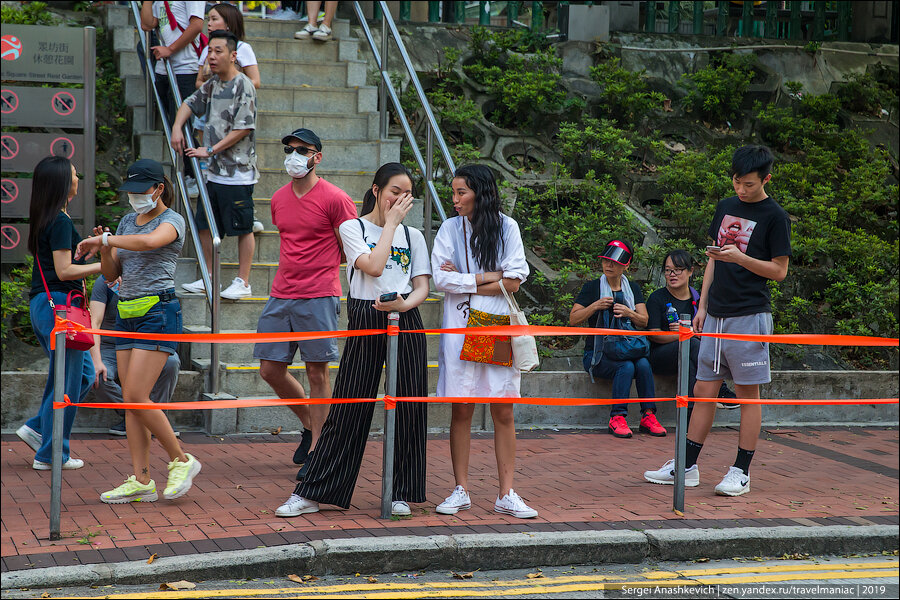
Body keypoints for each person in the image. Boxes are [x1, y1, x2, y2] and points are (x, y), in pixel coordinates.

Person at [274, 162, 431, 517]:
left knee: (409, 402)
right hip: (365, 311)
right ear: (376, 190)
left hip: (405, 313)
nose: (400, 199)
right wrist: (389, 224)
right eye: (394, 191)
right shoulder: (352, 227)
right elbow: (373, 267)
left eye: (407, 194)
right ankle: (315, 490)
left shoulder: (415, 236)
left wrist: (406, 303)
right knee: (351, 401)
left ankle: (400, 490)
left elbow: (422, 285)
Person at [644, 145, 791, 497]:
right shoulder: (725, 206)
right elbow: (713, 257)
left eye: (750, 185)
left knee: (747, 395)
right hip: (716, 316)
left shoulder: (775, 216)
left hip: (750, 314)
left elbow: (780, 271)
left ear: (766, 179)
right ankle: (686, 465)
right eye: (738, 182)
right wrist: (703, 304)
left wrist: (741, 259)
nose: (742, 190)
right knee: (702, 390)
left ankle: (741, 470)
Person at [75, 159, 201, 503]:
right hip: (127, 312)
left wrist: (109, 238)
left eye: (139, 190)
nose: (132, 197)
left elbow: (149, 244)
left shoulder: (172, 220)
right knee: (133, 404)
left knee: (135, 396)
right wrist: (104, 248)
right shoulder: (128, 220)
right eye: (129, 190)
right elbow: (112, 273)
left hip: (158, 311)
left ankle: (181, 460)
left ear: (159, 188)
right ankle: (141, 479)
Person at [430, 164, 538, 519]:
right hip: (461, 325)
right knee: (461, 407)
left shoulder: (507, 227)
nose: (455, 199)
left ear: (480, 192)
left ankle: (507, 492)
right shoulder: (448, 228)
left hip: (495, 324)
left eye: (461, 192)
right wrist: (491, 276)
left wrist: (465, 279)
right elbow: (439, 280)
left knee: (502, 408)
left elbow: (515, 280)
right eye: (454, 193)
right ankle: (460, 489)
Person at [253, 128, 357, 473]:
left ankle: (318, 451)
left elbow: (351, 247)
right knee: (270, 369)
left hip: (319, 294)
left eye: (303, 149)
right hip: (281, 293)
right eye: (289, 148)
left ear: (318, 157)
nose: (294, 155)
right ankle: (312, 424)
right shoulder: (279, 198)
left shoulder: (336, 198)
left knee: (317, 372)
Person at [16, 156, 101, 471]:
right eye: (74, 173)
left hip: (45, 305)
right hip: (61, 307)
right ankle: (51, 454)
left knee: (79, 375)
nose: (78, 176)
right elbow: (64, 271)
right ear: (63, 183)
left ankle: (39, 427)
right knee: (67, 381)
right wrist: (104, 266)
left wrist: (86, 252)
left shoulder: (47, 217)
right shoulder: (61, 221)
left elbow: (60, 264)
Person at [173, 30, 259, 300]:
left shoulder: (244, 84)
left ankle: (243, 282)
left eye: (218, 51)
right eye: (209, 51)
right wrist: (177, 127)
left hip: (238, 173)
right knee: (203, 225)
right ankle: (209, 276)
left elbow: (243, 128)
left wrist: (209, 150)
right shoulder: (212, 84)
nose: (211, 56)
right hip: (212, 173)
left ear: (233, 56)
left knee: (243, 227)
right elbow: (190, 102)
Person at [570, 240, 666, 439]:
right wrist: (595, 306)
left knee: (643, 364)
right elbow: (573, 319)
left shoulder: (632, 288)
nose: (608, 265)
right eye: (606, 260)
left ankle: (648, 416)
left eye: (614, 262)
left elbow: (644, 320)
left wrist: (629, 313)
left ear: (626, 265)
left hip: (626, 348)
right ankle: (617, 418)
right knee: (627, 367)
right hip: (597, 354)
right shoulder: (593, 287)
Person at [193, 2, 264, 234]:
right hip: (211, 115)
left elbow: (255, 81)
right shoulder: (209, 49)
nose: (209, 24)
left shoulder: (242, 51)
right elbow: (198, 86)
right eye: (208, 19)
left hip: (233, 139)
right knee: (205, 222)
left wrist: (231, 84)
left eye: (214, 19)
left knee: (240, 224)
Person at [645, 250, 737, 418]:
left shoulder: (698, 299)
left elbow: (704, 332)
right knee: (692, 344)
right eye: (668, 270)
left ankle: (689, 416)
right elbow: (653, 335)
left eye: (677, 269)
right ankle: (721, 390)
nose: (672, 274)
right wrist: (686, 334)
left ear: (690, 271)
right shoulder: (656, 298)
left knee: (691, 358)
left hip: (690, 355)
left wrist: (691, 334)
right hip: (661, 356)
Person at [88, 274, 181, 436]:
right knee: (95, 374)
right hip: (110, 346)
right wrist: (96, 360)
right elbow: (94, 321)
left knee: (172, 363)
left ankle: (157, 417)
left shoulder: (153, 281)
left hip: (144, 344)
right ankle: (136, 416)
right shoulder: (104, 282)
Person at [140, 0, 205, 196]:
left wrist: (171, 49)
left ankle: (192, 175)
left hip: (186, 66)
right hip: (164, 67)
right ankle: (188, 173)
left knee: (183, 125)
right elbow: (147, 24)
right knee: (170, 122)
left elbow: (197, 25)